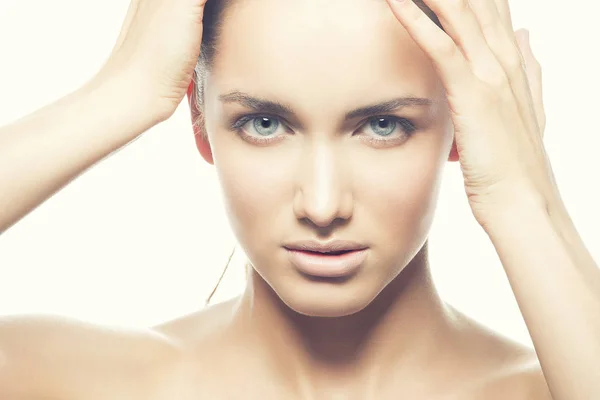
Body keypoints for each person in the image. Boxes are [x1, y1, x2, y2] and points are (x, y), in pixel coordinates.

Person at [0, 0, 598, 398]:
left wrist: (523, 196)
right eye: (263, 123)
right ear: (201, 121)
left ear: (466, 125)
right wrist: (118, 92)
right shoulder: (79, 381)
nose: (321, 203)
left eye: (384, 125)